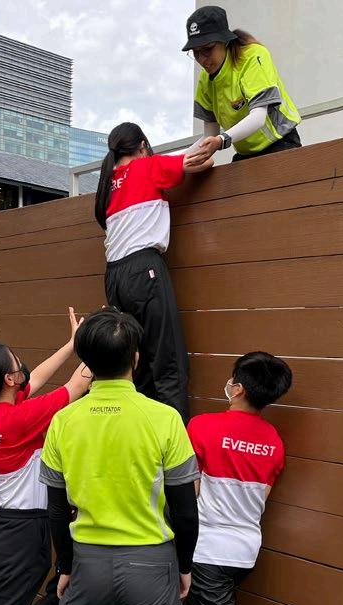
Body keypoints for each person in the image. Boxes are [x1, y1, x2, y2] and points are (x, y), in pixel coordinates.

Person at [40, 307, 201, 605]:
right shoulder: (166, 418)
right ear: (135, 358)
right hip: (152, 564)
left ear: (86, 363)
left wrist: (66, 566)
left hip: (87, 563)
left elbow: (56, 510)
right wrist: (184, 566)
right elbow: (185, 509)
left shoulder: (63, 420)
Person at [0, 308, 92, 605]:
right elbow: (77, 386)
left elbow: (34, 379)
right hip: (21, 538)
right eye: (16, 361)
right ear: (9, 379)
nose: (21, 364)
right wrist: (96, 342)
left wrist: (71, 345)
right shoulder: (20, 420)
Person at [95, 122, 213, 421]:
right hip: (143, 268)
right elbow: (205, 161)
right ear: (142, 146)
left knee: (137, 363)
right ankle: (173, 444)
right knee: (168, 361)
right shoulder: (148, 166)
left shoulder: (107, 183)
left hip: (114, 276)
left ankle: (139, 435)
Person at [184, 352, 292, 605]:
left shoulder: (202, 426)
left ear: (238, 388)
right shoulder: (274, 441)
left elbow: (190, 492)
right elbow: (260, 499)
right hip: (245, 552)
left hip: (209, 549)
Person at [182, 5, 302, 165]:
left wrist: (221, 140)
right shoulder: (205, 80)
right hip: (245, 153)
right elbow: (209, 135)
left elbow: (258, 117)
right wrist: (169, 162)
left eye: (207, 49)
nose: (202, 59)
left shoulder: (252, 56)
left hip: (281, 143)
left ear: (225, 42)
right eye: (196, 53)